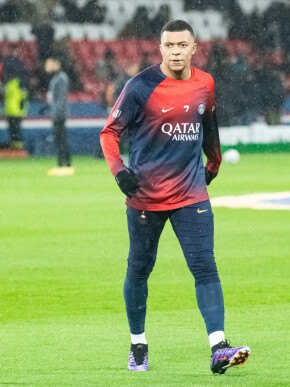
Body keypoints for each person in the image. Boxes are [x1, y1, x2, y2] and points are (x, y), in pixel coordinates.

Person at [100, 20, 250, 374]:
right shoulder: (141, 86)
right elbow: (109, 133)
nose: (176, 52)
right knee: (139, 269)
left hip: (191, 193)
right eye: (170, 46)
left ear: (194, 48)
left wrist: (214, 161)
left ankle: (219, 348)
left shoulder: (205, 83)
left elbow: (208, 125)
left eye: (183, 45)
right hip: (146, 198)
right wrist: (119, 172)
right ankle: (138, 344)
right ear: (161, 48)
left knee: (204, 267)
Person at [43, 56, 73, 176]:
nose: (46, 67)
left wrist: (56, 113)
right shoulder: (57, 78)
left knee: (60, 138)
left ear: (56, 64)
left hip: (59, 114)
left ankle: (64, 164)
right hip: (57, 112)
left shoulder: (60, 78)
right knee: (60, 138)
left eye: (48, 64)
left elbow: (60, 99)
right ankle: (64, 163)